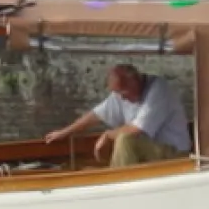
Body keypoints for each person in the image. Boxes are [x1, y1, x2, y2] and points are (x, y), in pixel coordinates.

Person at [44, 64, 191, 168]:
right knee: (123, 139)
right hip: (150, 149)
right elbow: (96, 114)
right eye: (118, 95)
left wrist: (107, 135)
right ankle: (119, 174)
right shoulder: (122, 94)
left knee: (125, 139)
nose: (122, 99)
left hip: (174, 153)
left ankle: (117, 183)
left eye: (124, 94)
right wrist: (64, 132)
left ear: (136, 82)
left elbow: (136, 129)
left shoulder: (159, 90)